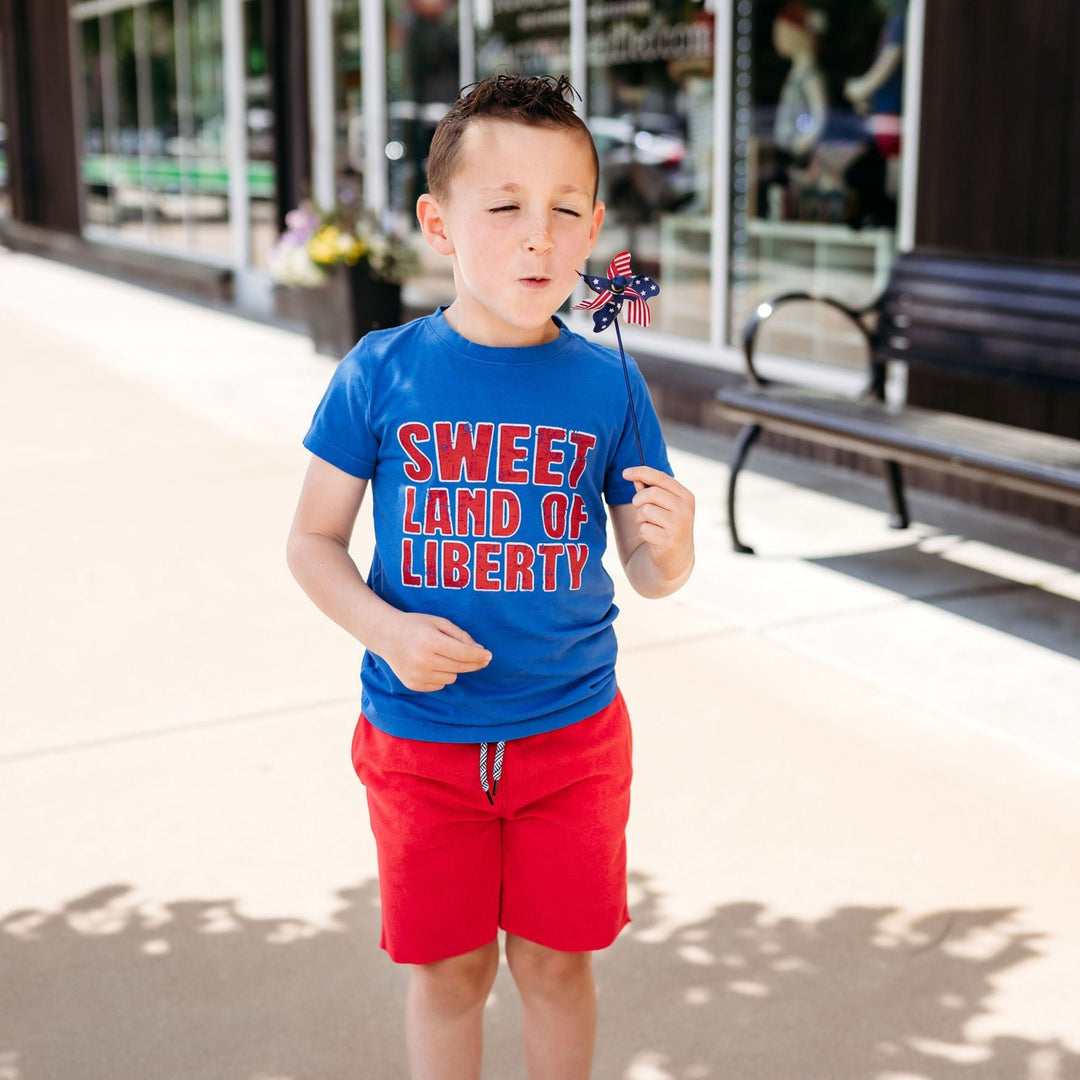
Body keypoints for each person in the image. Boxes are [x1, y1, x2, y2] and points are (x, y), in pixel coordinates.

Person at [286, 73, 695, 1080]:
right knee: (451, 972)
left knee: (557, 966)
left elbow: (647, 569)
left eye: (565, 211)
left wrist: (673, 549)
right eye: (504, 207)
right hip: (421, 749)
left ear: (597, 224)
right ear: (438, 222)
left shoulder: (609, 379)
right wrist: (384, 629)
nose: (537, 238)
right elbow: (312, 543)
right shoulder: (381, 372)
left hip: (573, 739)